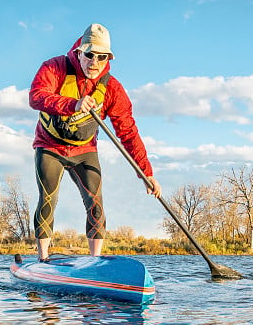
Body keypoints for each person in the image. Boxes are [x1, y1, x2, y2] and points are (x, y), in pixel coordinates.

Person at [29, 23, 161, 261]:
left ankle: (95, 262)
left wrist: (146, 172)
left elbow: (128, 132)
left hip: (84, 150)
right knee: (48, 197)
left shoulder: (112, 88)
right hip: (50, 146)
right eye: (89, 55)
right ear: (79, 52)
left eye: (102, 57)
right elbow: (37, 97)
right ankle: (43, 259)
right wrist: (73, 104)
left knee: (95, 202)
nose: (95, 62)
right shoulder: (54, 67)